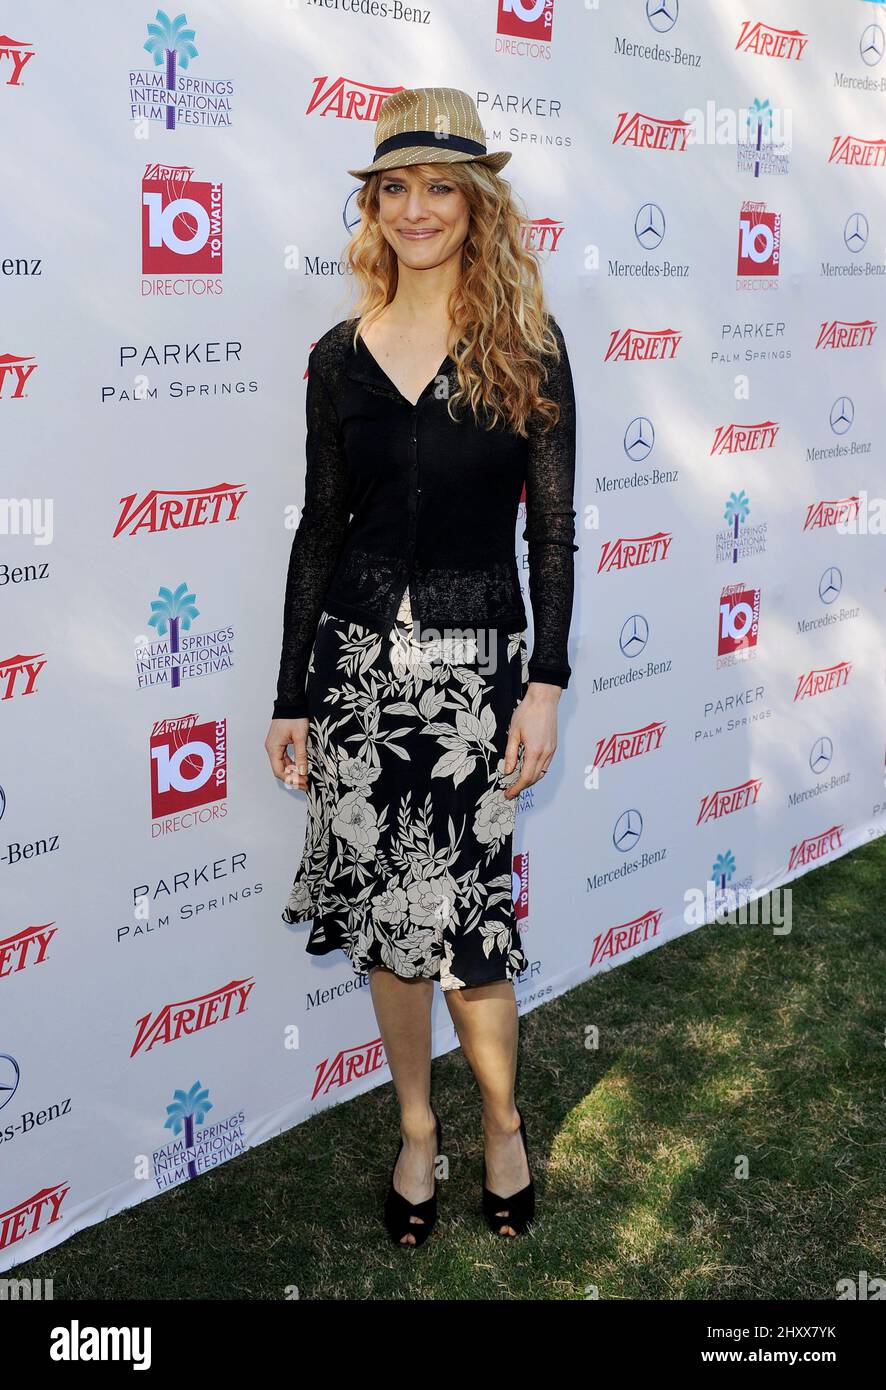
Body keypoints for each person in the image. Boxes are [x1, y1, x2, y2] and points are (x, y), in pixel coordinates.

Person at [264, 87, 577, 1245]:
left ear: (477, 203)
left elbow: (551, 527)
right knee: (387, 926)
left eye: (439, 185)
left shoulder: (526, 349)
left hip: (470, 677)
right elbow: (319, 526)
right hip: (354, 672)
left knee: (467, 934)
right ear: (373, 206)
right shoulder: (335, 356)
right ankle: (414, 1130)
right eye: (392, 187)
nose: (414, 207)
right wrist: (291, 693)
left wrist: (544, 679)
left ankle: (499, 1120)